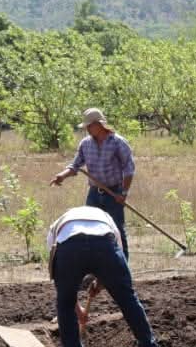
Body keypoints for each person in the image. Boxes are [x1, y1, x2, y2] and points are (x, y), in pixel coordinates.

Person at [47, 206, 159, 347]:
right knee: (127, 298)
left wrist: (97, 285)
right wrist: (103, 280)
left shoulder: (57, 226)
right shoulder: (106, 218)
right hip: (105, 245)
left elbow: (63, 285)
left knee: (64, 303)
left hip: (69, 248)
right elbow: (117, 250)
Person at [50, 108, 136, 259]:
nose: (87, 130)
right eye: (86, 127)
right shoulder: (85, 144)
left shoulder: (118, 143)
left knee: (116, 231)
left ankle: (123, 269)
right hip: (94, 194)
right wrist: (62, 176)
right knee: (91, 230)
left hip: (114, 193)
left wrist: (123, 193)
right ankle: (96, 268)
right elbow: (75, 165)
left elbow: (129, 169)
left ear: (99, 124)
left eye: (89, 126)